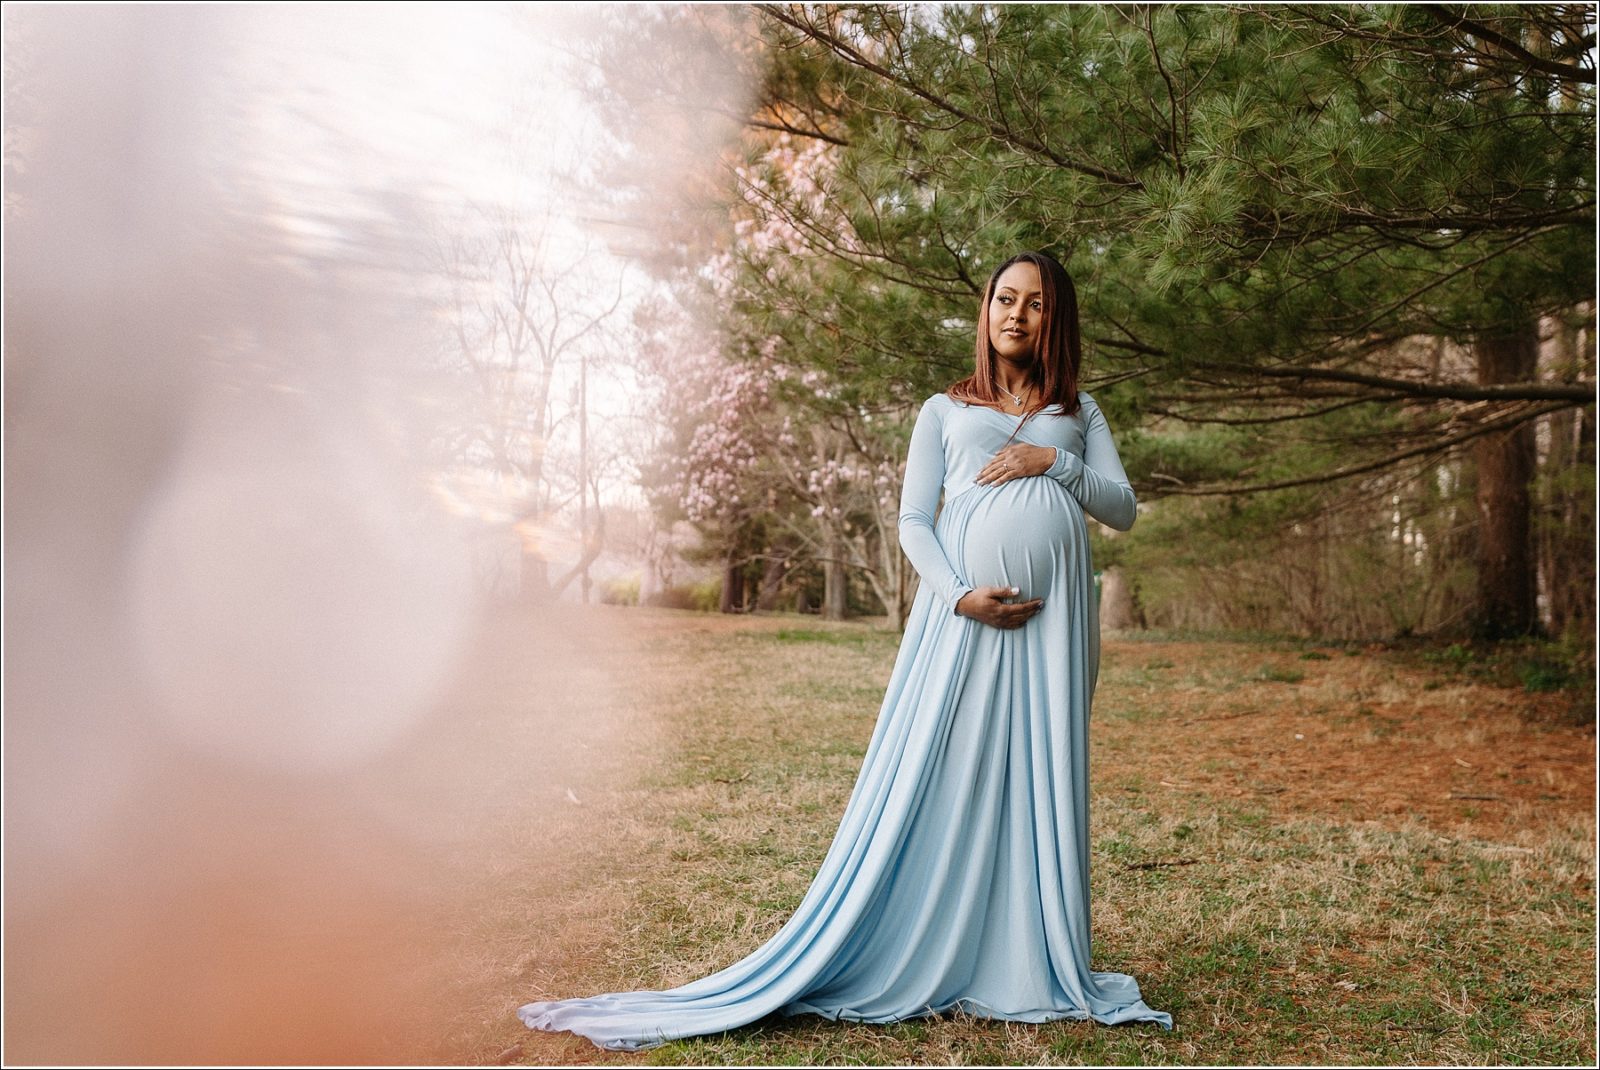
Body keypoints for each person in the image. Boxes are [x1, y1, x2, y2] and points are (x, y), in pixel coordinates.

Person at [517, 250, 1173, 1051]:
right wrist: (958, 594)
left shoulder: (1083, 412)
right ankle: (935, 932)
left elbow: (1125, 508)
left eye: (1035, 304)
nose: (1016, 314)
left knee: (1039, 770)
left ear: (1055, 318)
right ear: (986, 308)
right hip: (964, 618)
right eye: (1005, 298)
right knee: (951, 767)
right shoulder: (943, 408)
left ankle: (1027, 953)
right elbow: (913, 523)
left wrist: (1053, 460)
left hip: (1053, 628)